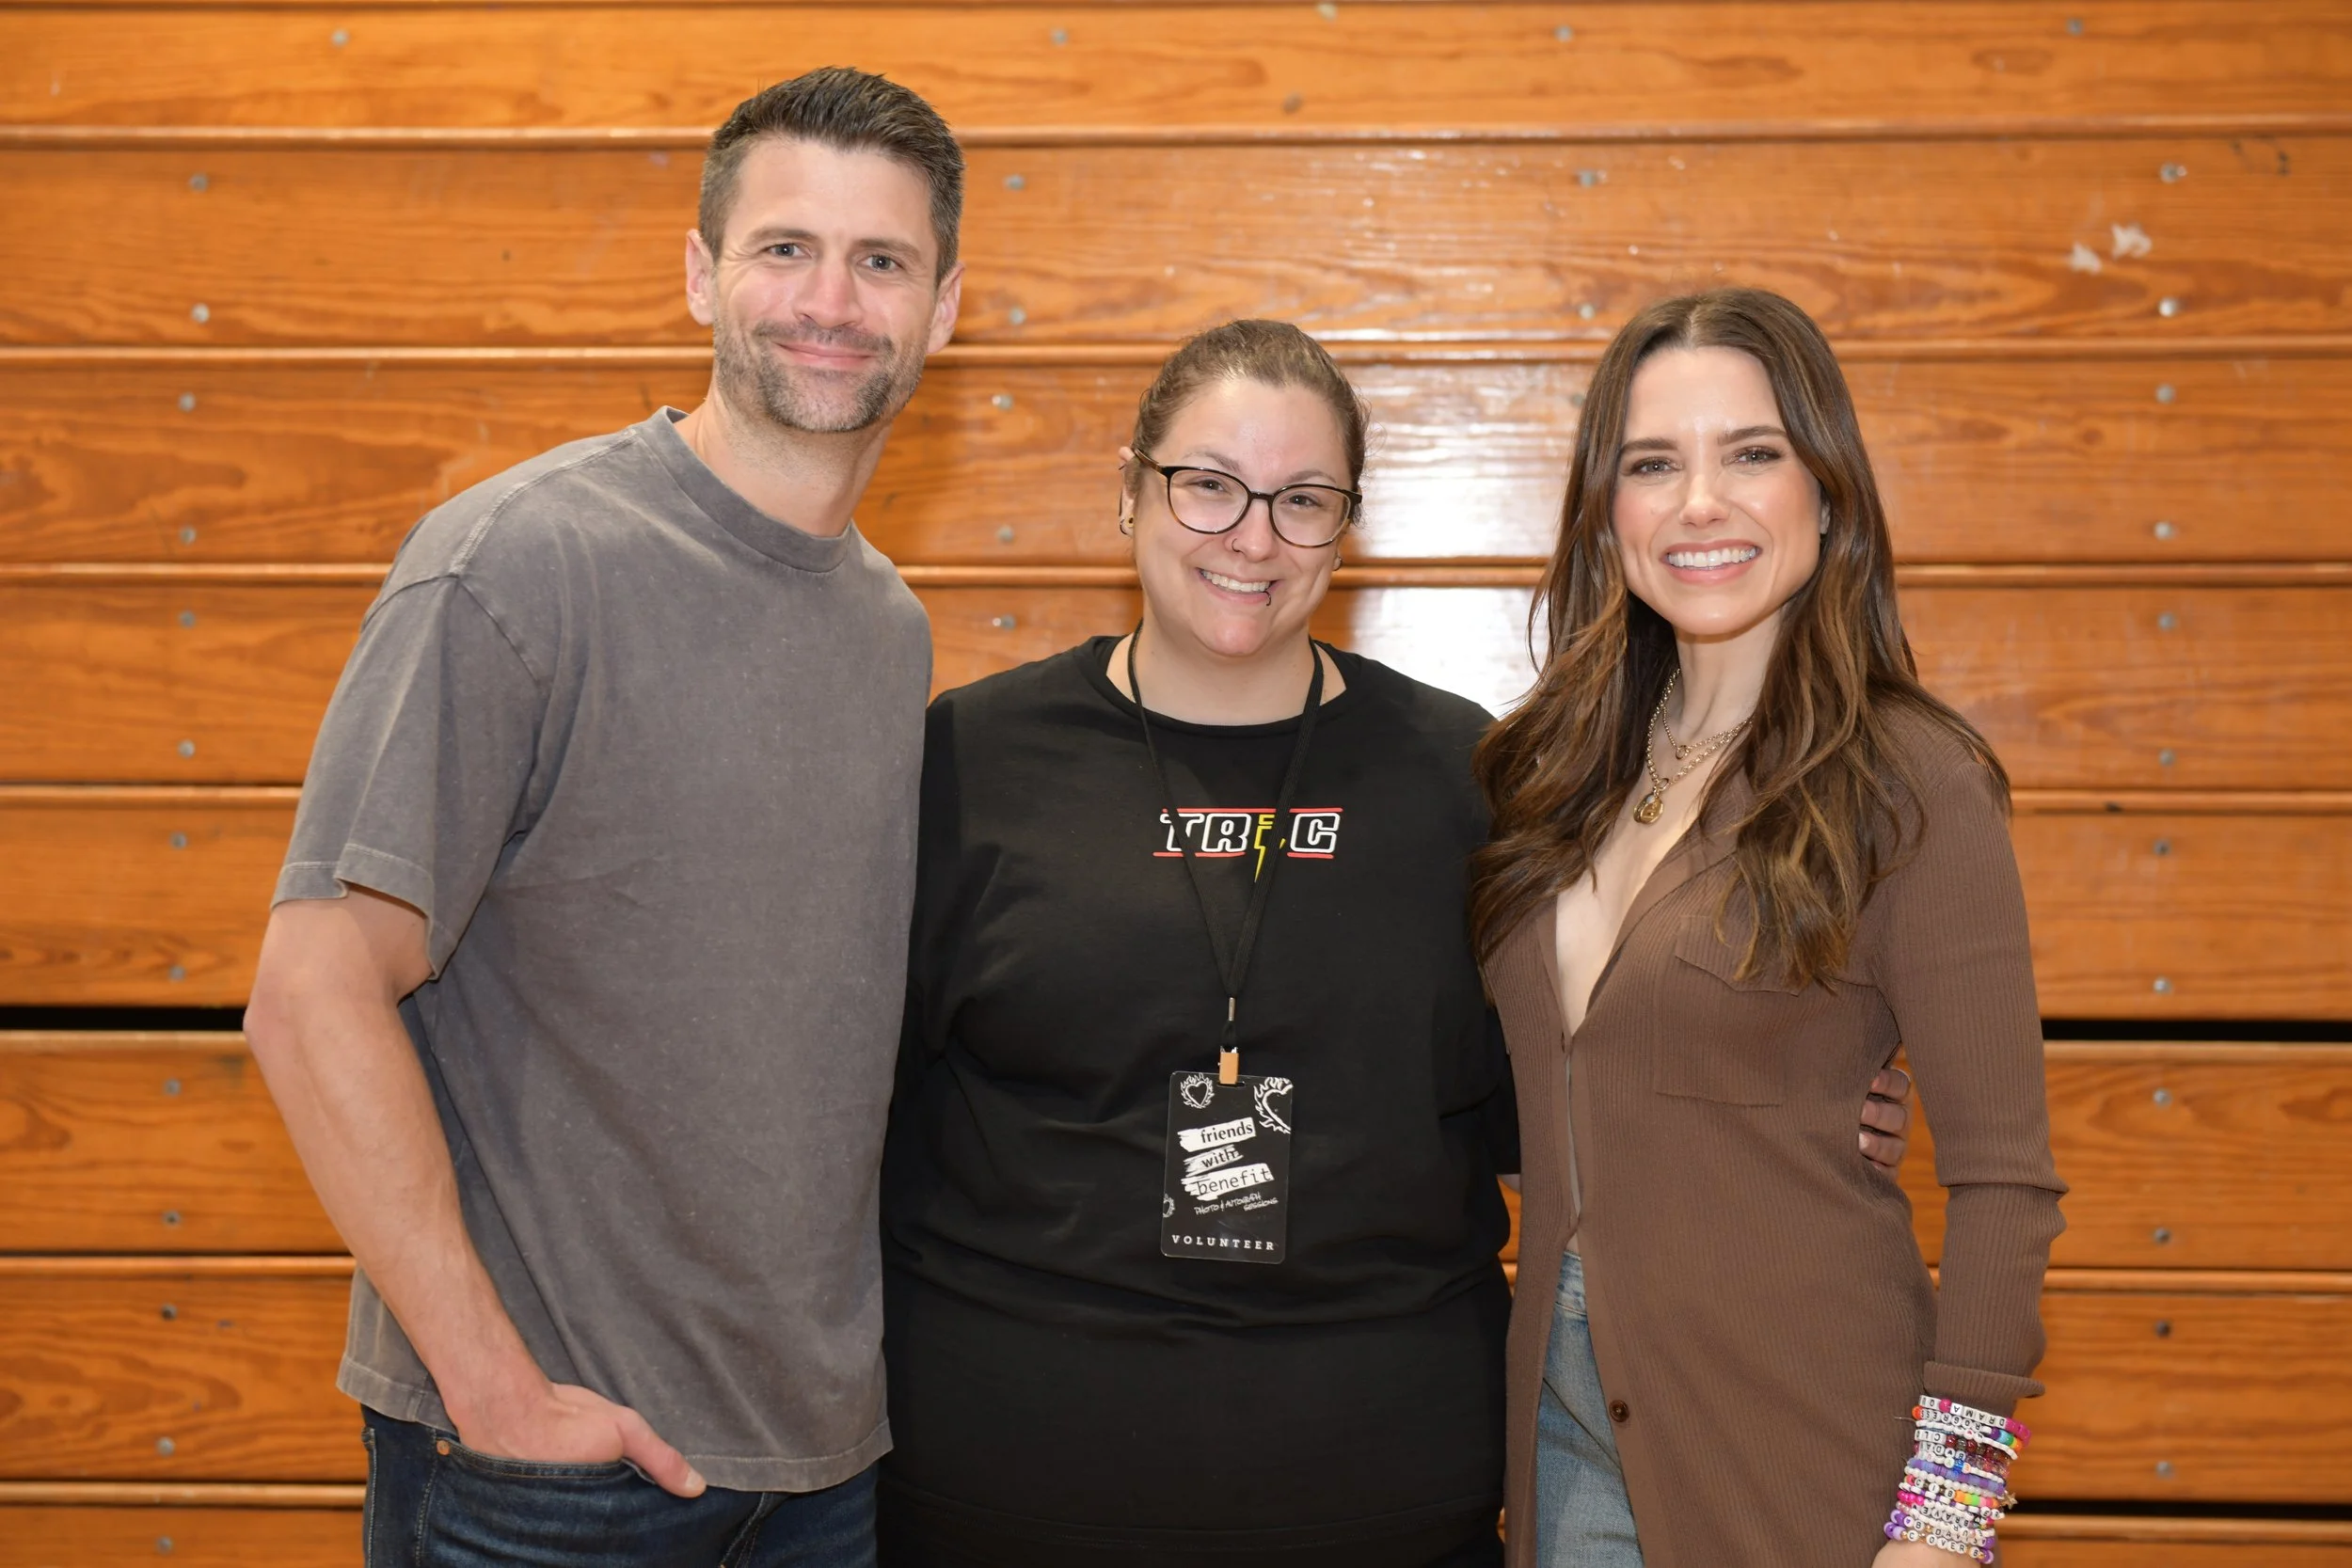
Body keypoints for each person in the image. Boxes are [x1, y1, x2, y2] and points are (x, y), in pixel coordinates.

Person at [875, 319, 1915, 1568]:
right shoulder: (967, 764)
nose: (1252, 536)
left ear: (1346, 523)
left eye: (1303, 500)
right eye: (1207, 484)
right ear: (1127, 487)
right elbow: (849, 1122)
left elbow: (1571, 1089)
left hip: (1381, 1500)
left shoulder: (1469, 781)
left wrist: (1786, 1094)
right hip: (1007, 1497)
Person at [242, 69, 963, 1565]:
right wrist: (495, 1387)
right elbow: (312, 997)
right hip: (549, 1481)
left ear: (944, 308)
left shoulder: (888, 626)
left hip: (814, 1475)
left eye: (880, 261)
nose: (830, 299)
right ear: (701, 272)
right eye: (784, 248)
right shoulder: (519, 562)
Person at [1470, 288, 2066, 1568]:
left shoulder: (1911, 780)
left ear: (1828, 489)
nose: (1699, 501)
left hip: (1810, 1469)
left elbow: (2005, 1182)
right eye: (1652, 464)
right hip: (1566, 1457)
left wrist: (1946, 1524)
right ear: (1606, 511)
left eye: (1751, 452)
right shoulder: (1549, 779)